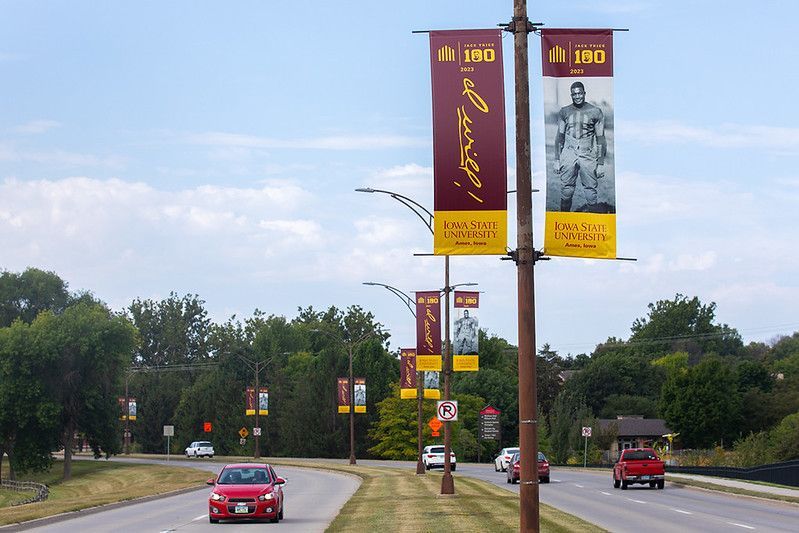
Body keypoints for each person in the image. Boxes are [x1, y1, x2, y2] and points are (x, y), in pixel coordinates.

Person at [553, 81, 607, 213]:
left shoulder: (595, 111)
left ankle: (592, 220)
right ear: (571, 95)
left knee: (590, 190)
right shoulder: (564, 111)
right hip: (569, 152)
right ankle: (564, 218)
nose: (577, 96)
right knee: (567, 189)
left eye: (580, 93)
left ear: (584, 93)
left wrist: (600, 163)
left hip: (587, 152)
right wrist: (557, 159)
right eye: (574, 94)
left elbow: (601, 138)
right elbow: (559, 136)